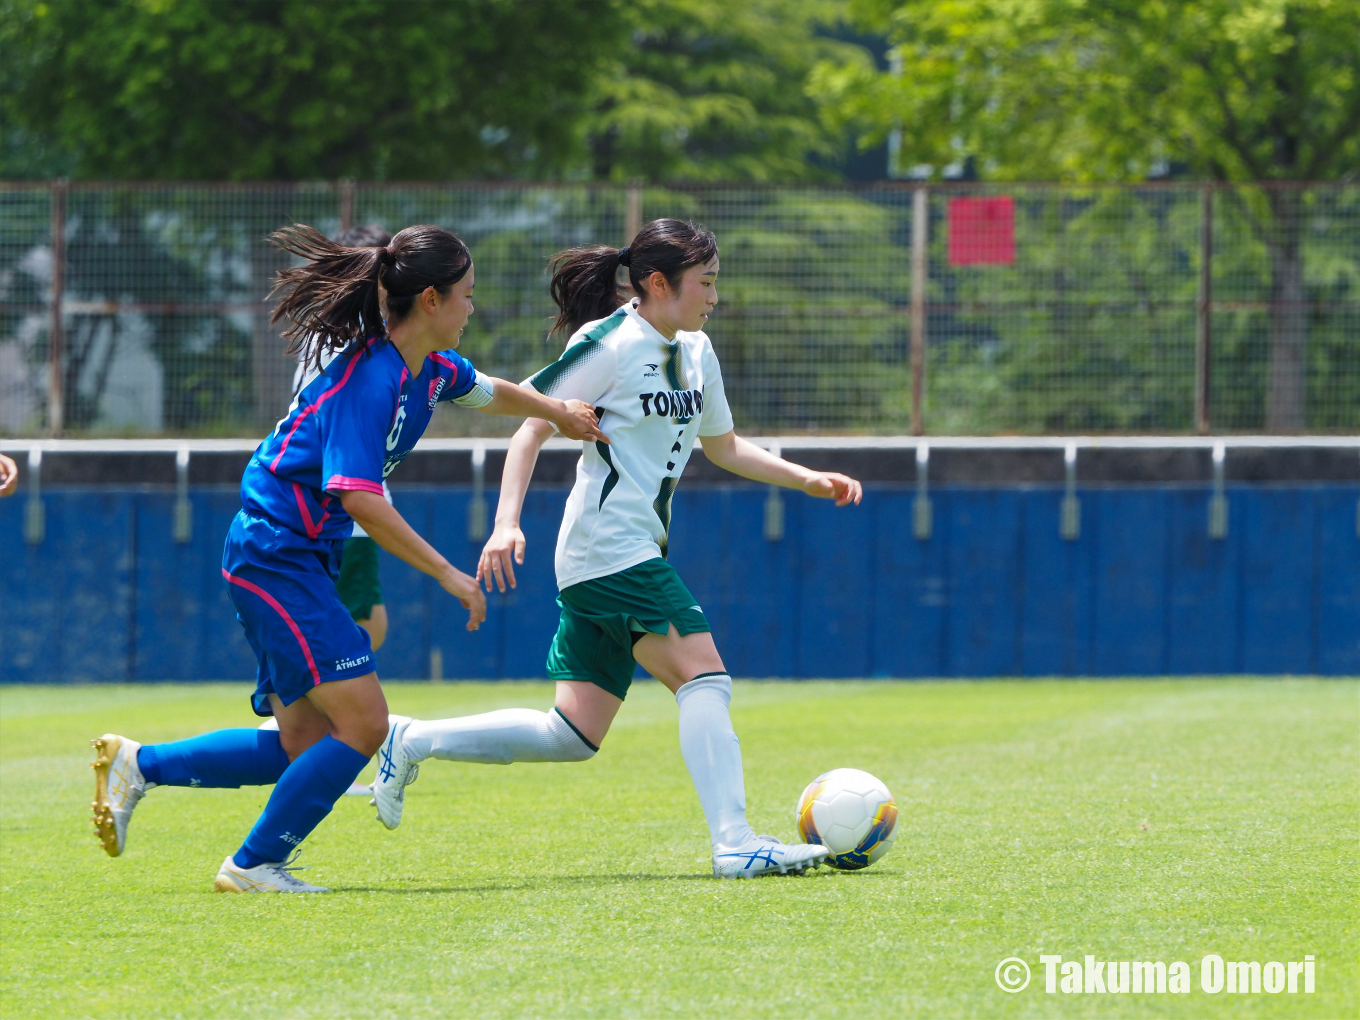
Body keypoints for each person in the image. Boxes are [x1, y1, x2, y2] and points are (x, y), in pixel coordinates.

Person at [89, 223, 607, 893]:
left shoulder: (429, 368)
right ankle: (253, 865)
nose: (472, 309)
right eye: (467, 296)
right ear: (430, 300)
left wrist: (557, 412)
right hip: (278, 554)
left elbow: (493, 392)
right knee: (365, 723)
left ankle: (140, 765)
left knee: (304, 742)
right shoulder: (372, 380)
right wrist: (448, 572)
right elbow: (360, 498)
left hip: (294, 555)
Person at [368, 219, 863, 879]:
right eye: (706, 282)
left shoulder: (697, 350)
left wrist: (806, 479)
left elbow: (724, 447)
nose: (714, 296)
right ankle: (735, 840)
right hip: (609, 549)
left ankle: (413, 738)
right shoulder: (608, 343)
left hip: (614, 556)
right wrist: (506, 523)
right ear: (658, 284)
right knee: (704, 674)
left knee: (571, 734)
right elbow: (528, 429)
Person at [291, 223, 395, 651]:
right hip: (334, 506)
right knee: (362, 625)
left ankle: (336, 716)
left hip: (326, 502)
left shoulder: (333, 327)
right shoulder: (355, 337)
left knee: (352, 631)